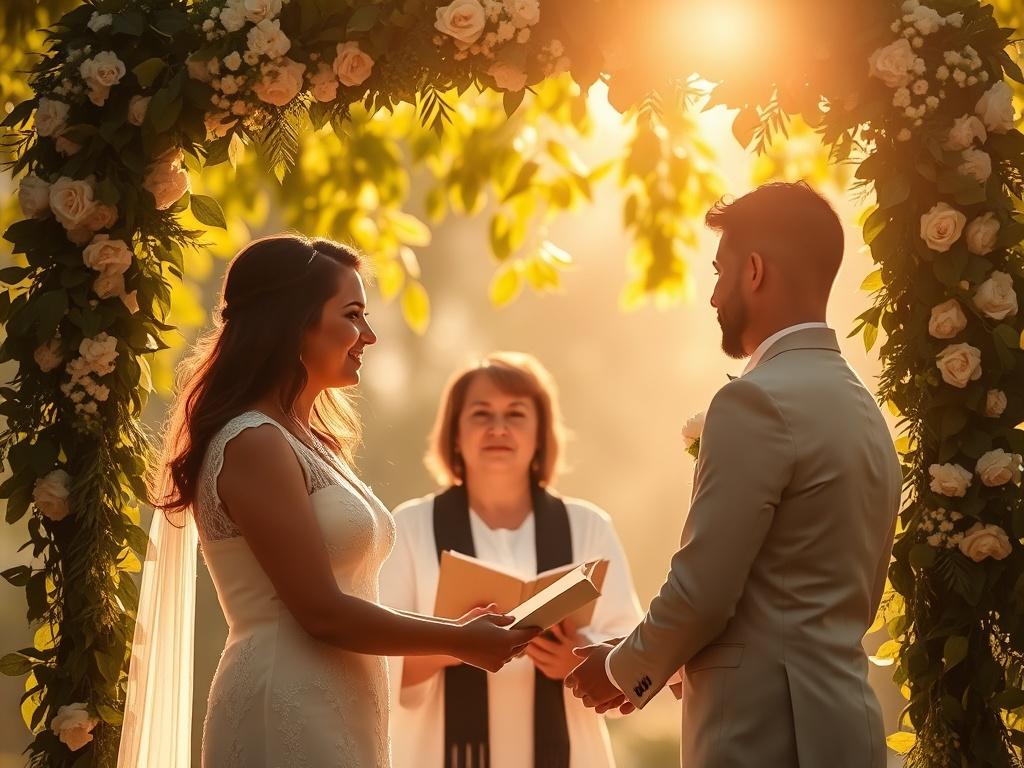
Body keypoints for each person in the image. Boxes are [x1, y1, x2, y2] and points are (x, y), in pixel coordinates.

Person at [117, 235, 536, 768]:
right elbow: (319, 611)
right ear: (295, 322)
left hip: (342, 707)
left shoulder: (308, 440)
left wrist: (457, 631)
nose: (370, 335)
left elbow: (347, 594)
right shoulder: (253, 442)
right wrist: (459, 639)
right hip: (285, 706)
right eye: (353, 315)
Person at [566, 182, 901, 768]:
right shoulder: (863, 409)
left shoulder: (755, 402)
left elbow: (705, 590)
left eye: (719, 272)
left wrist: (623, 669)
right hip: (847, 725)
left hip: (761, 733)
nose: (713, 296)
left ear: (753, 271)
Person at [381, 351, 643, 768]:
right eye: (481, 414)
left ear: (540, 433)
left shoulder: (588, 525)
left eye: (516, 414)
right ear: (454, 433)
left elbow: (636, 656)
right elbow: (379, 665)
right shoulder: (410, 526)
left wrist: (577, 658)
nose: (498, 428)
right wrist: (460, 643)